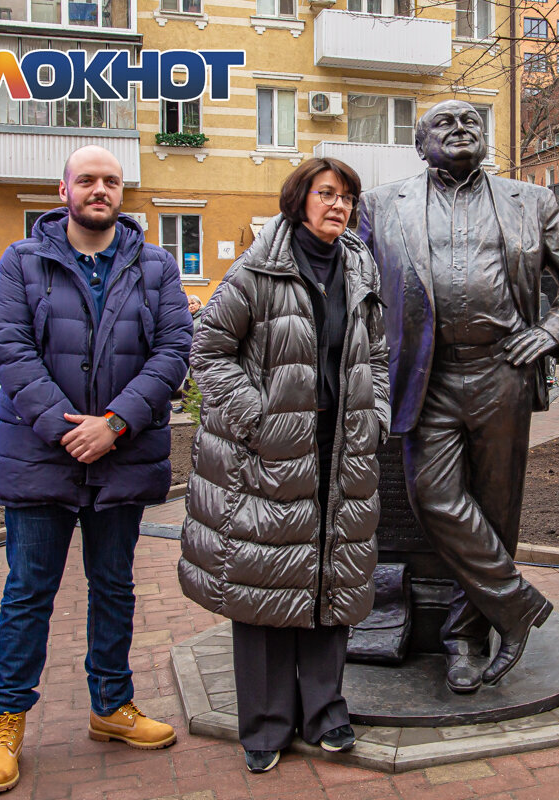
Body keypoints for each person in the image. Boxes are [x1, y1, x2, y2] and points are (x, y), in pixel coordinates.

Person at [358, 100, 559, 693]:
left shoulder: (531, 200)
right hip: (426, 375)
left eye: (471, 121)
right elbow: (354, 283)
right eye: (444, 123)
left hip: (502, 372)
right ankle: (516, 607)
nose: (460, 129)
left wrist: (548, 334)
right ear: (420, 144)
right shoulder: (380, 205)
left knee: (496, 510)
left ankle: (467, 639)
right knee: (432, 496)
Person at [0, 145, 192, 794]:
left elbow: (174, 349)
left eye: (111, 181)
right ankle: (5, 722)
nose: (100, 190)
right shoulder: (23, 261)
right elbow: (9, 348)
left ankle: (111, 708)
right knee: (28, 593)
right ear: (64, 189)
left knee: (114, 589)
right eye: (88, 180)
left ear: (121, 192)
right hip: (41, 456)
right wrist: (67, 431)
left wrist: (116, 425)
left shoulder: (154, 266)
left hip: (120, 457)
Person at [179, 157, 390, 773]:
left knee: (332, 573)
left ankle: (327, 715)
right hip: (272, 455)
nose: (339, 206)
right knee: (267, 582)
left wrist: (374, 410)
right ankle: (267, 726)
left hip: (340, 450)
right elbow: (208, 348)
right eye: (327, 194)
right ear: (299, 199)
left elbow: (376, 353)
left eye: (347, 197)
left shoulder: (359, 265)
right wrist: (256, 416)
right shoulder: (258, 270)